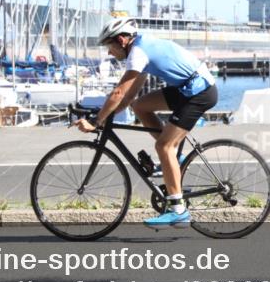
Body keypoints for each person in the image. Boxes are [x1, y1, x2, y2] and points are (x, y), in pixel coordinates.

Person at [76, 16, 217, 228]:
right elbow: (128, 97)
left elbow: (118, 92)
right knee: (140, 106)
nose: (109, 52)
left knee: (164, 146)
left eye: (109, 46)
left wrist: (96, 121)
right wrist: (108, 116)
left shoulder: (138, 53)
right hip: (187, 89)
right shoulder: (141, 48)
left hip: (199, 92)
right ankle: (173, 162)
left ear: (122, 41)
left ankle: (178, 210)